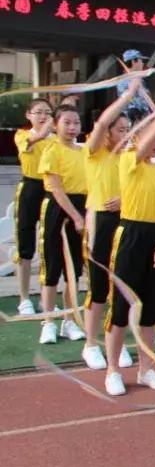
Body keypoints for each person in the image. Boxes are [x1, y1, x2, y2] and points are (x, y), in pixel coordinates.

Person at [103, 79, 155, 396]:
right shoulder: (128, 161)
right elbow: (145, 138)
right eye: (150, 137)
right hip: (130, 235)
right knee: (122, 307)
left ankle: (146, 368)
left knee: (151, 309)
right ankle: (112, 368)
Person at [81, 83, 136, 371]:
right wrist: (128, 94)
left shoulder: (129, 158)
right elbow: (102, 121)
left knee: (121, 285)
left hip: (124, 223)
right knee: (99, 287)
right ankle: (91, 343)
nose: (125, 135)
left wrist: (125, 199)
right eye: (120, 129)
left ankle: (115, 340)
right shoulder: (95, 153)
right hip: (101, 222)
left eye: (128, 129)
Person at [36, 105, 88, 345]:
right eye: (66, 122)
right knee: (52, 269)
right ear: (55, 125)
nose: (72, 127)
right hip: (58, 209)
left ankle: (69, 320)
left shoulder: (85, 152)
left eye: (76, 122)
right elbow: (56, 189)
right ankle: (48, 322)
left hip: (82, 206)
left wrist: (84, 215)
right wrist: (76, 217)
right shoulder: (51, 150)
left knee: (74, 270)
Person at [12, 98, 55, 315]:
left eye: (48, 112)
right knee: (25, 244)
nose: (43, 116)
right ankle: (24, 298)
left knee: (49, 245)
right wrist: (50, 126)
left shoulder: (56, 140)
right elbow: (35, 139)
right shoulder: (23, 135)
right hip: (30, 188)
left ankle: (45, 298)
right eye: (38, 112)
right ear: (29, 115)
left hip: (51, 190)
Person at [116, 49, 153, 123]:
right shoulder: (124, 81)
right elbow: (129, 103)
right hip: (133, 124)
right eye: (141, 61)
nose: (142, 63)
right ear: (134, 61)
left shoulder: (140, 80)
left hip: (144, 123)